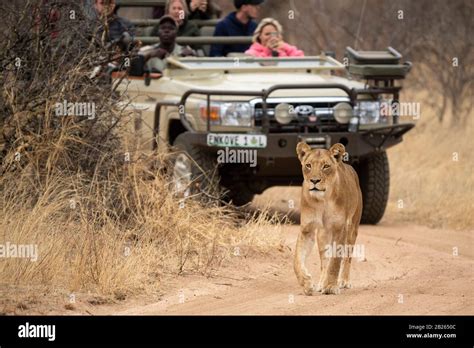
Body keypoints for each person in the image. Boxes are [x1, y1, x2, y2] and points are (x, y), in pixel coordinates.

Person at [130, 16, 195, 76]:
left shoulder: (184, 50)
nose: (166, 31)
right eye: (163, 28)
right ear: (158, 32)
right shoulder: (149, 50)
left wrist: (191, 57)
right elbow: (130, 67)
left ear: (176, 32)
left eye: (171, 28)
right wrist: (148, 56)